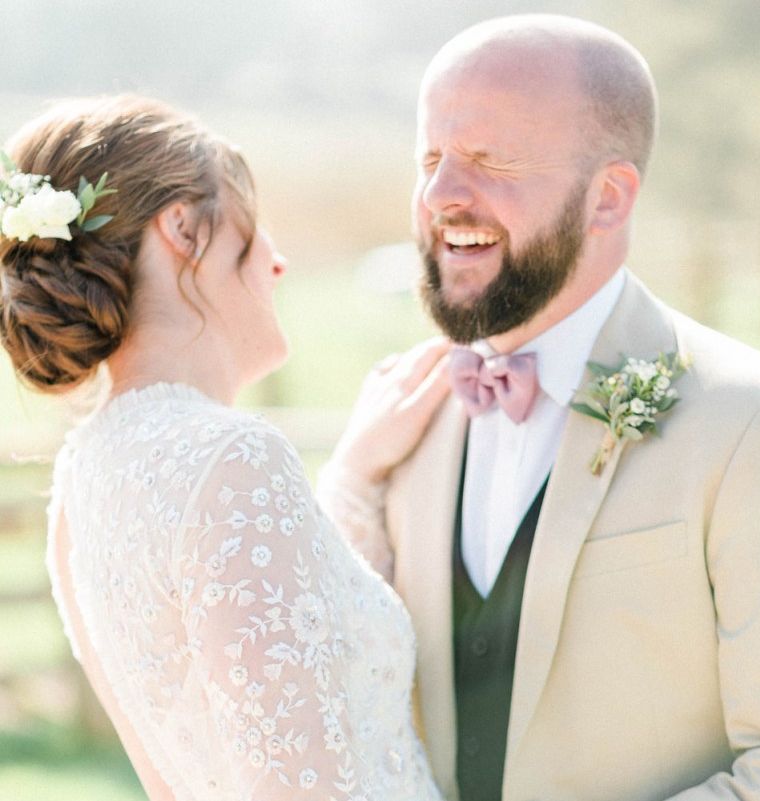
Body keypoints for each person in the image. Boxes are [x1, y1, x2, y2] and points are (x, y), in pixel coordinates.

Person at [318, 14, 760, 801]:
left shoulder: (754, 423)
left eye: (487, 159)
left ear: (607, 198)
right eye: (430, 159)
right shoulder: (403, 411)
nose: (440, 195)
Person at [0, 95, 451, 801]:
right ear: (183, 227)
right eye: (251, 222)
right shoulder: (231, 457)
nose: (276, 259)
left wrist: (358, 470)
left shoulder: (80, 481)